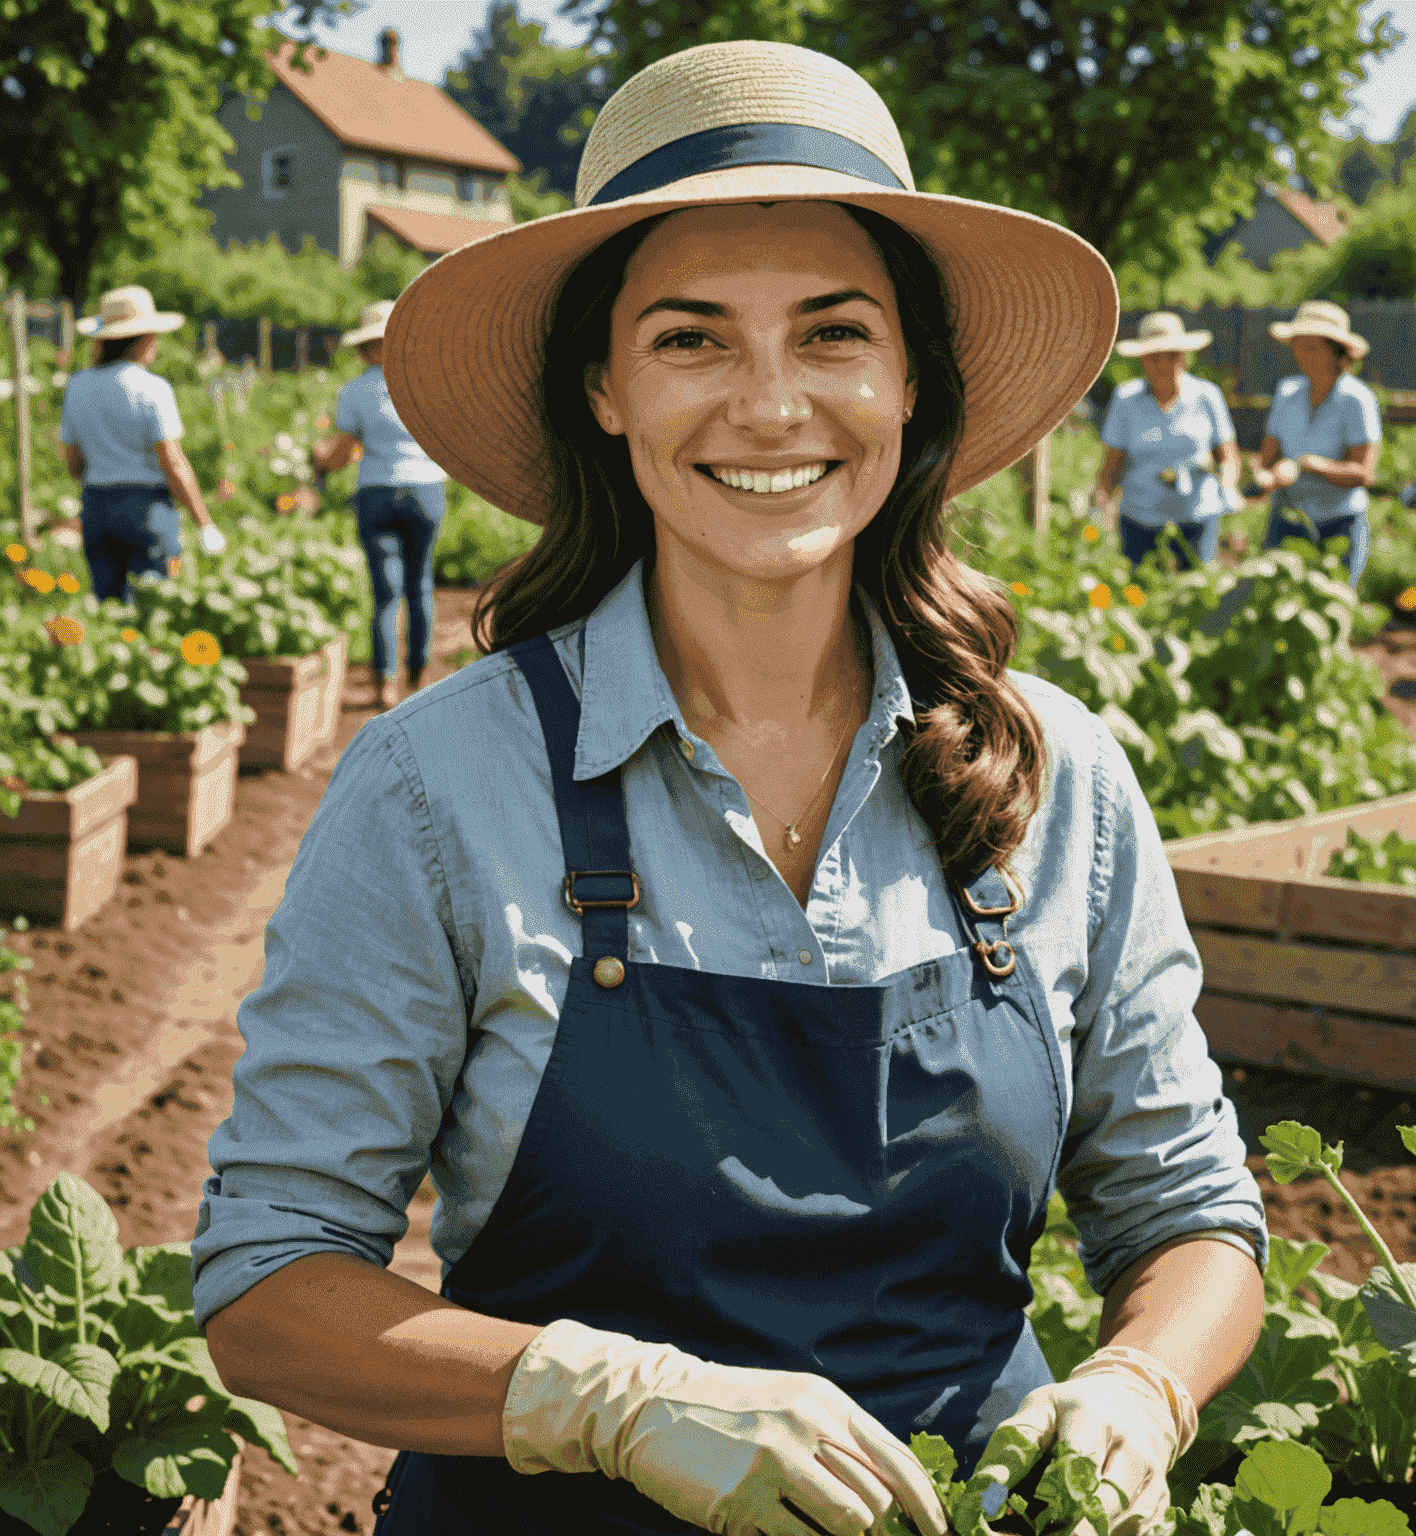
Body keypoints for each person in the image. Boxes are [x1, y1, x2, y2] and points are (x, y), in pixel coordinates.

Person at [191, 40, 1268, 1536]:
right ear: (606, 389)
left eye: (833, 334)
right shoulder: (440, 787)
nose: (771, 406)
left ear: (911, 384)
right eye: (693, 340)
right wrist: (610, 1401)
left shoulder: (1059, 775)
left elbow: (1193, 1213)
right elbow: (269, 1283)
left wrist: (1141, 1385)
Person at [310, 299, 448, 710]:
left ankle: (385, 681)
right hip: (425, 490)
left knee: (385, 592)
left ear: (365, 348)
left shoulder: (355, 392)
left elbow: (340, 456)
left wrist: (318, 463)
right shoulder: (426, 382)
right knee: (420, 584)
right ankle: (419, 674)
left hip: (377, 493)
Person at [58, 285, 226, 601]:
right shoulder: (152, 388)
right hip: (147, 508)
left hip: (96, 505)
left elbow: (73, 462)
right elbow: (173, 463)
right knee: (153, 606)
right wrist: (204, 523)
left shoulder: (77, 386)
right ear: (143, 340)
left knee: (108, 606)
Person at [1095, 312, 1241, 570]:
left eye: (1171, 355)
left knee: (1197, 594)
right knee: (1141, 593)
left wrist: (1228, 488)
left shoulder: (1207, 396)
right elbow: (1111, 465)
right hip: (1141, 519)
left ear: (1184, 357)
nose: (1163, 365)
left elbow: (1228, 456)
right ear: (1142, 360)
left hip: (1197, 517)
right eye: (1154, 357)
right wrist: (1101, 505)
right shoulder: (1126, 400)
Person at [1252, 300, 1381, 586]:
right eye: (1298, 345)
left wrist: (1312, 466)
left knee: (1331, 614)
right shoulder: (1287, 393)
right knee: (1273, 608)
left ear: (1337, 352)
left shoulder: (1357, 400)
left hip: (1338, 524)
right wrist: (1266, 476)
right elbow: (1267, 459)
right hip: (1287, 520)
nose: (1302, 354)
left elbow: (1363, 474)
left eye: (1312, 347)